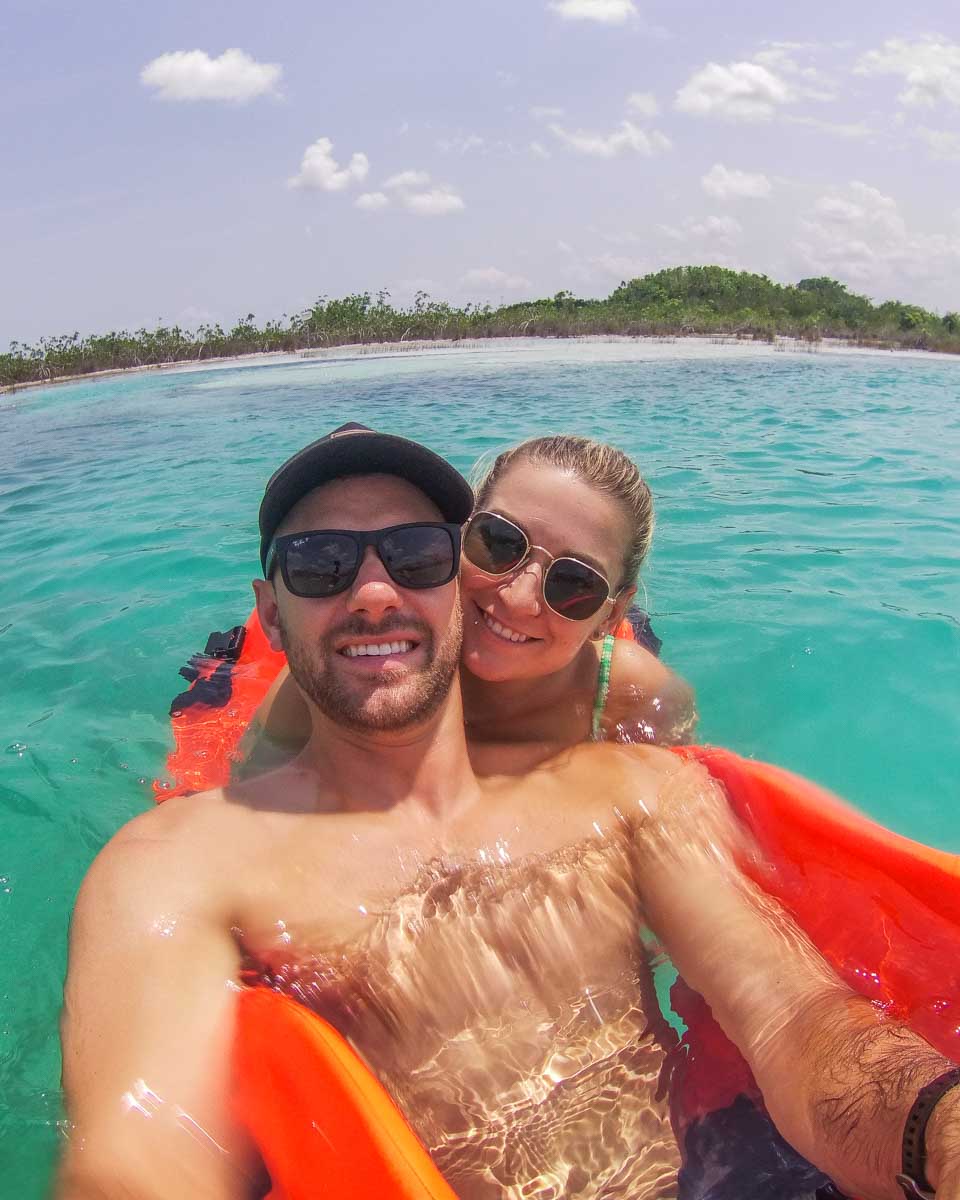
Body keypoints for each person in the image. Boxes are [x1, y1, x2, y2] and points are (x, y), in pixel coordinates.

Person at [59, 425, 960, 1200]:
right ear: (271, 610)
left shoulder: (632, 786)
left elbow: (799, 1019)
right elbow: (135, 1157)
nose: (374, 592)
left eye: (414, 556)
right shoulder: (179, 861)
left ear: (453, 586)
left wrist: (940, 1141)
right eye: (320, 564)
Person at [242, 433, 696, 778]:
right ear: (458, 538)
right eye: (499, 543)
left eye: (575, 582)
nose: (517, 599)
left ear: (611, 615)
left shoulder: (634, 696)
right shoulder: (353, 676)